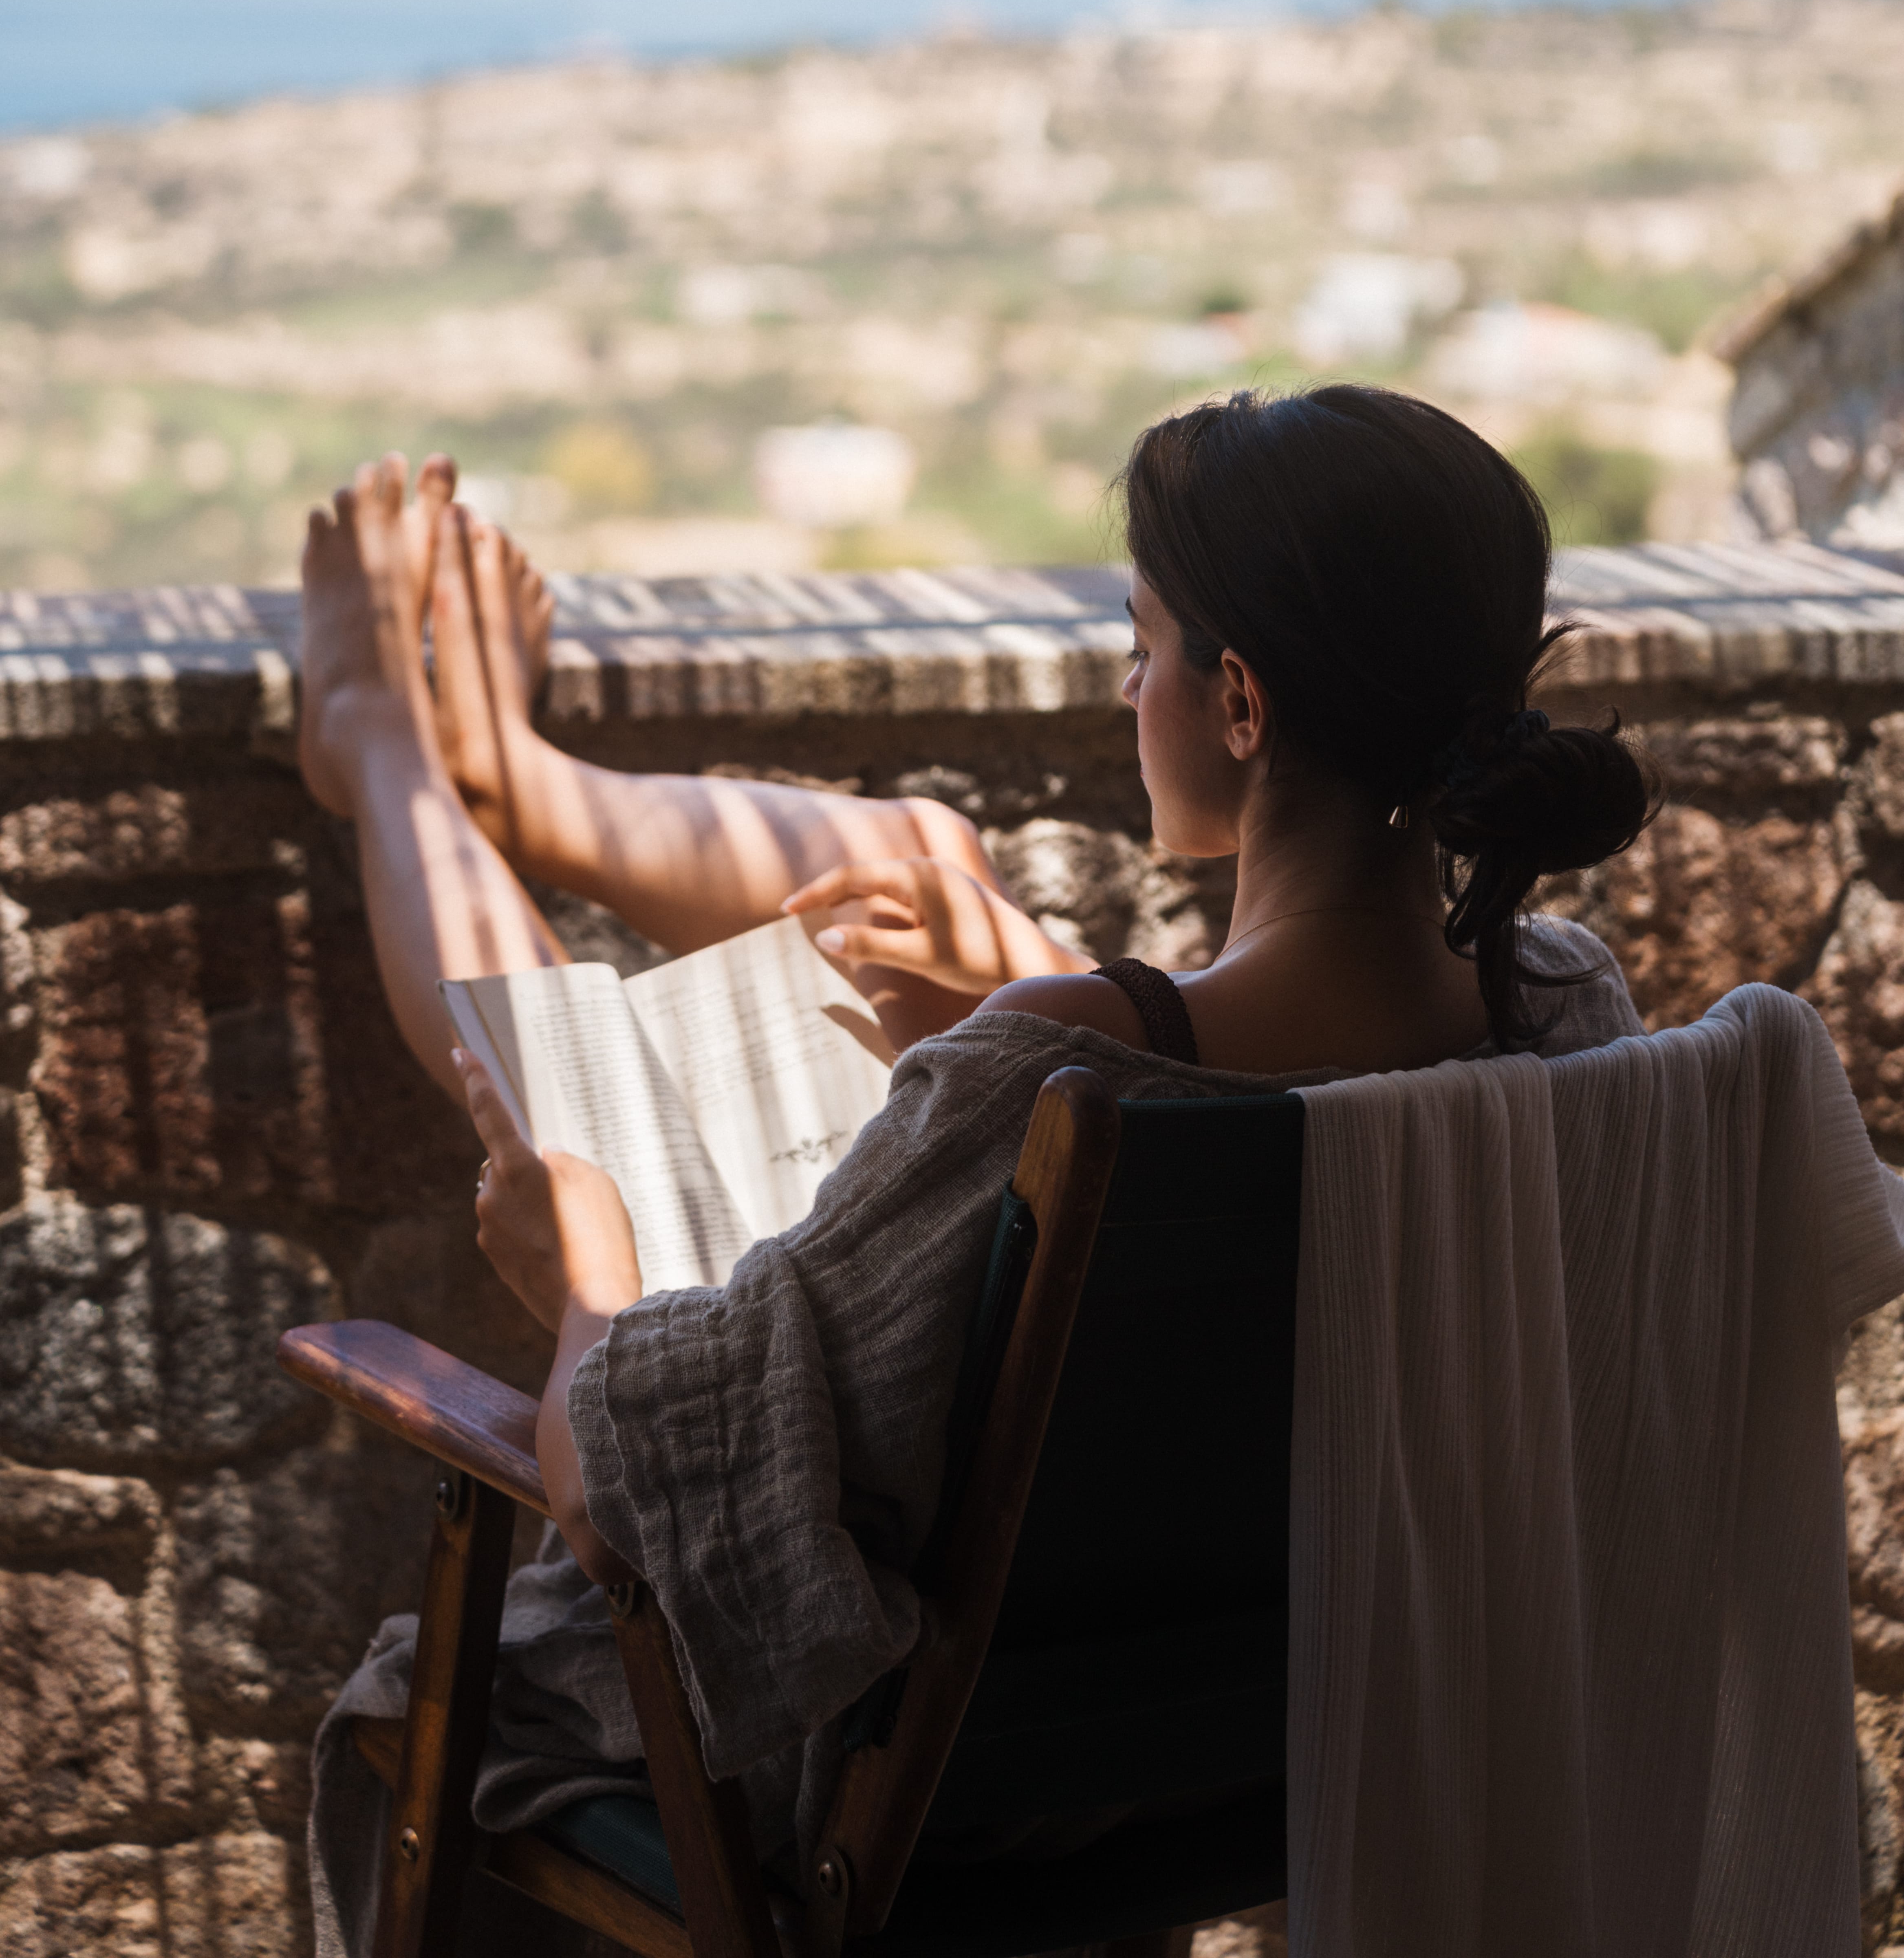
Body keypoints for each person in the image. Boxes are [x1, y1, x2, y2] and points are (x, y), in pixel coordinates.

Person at [302, 387, 1653, 1954]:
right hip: (1236, 1751)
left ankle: (391, 752)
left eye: (1143, 644)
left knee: (564, 1116)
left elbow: (626, 1508)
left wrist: (582, 1277)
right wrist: (1028, 998)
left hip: (895, 1788)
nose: (1122, 680)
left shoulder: (1054, 1073)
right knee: (920, 864)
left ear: (1241, 703)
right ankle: (493, 775)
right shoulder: (1567, 1023)